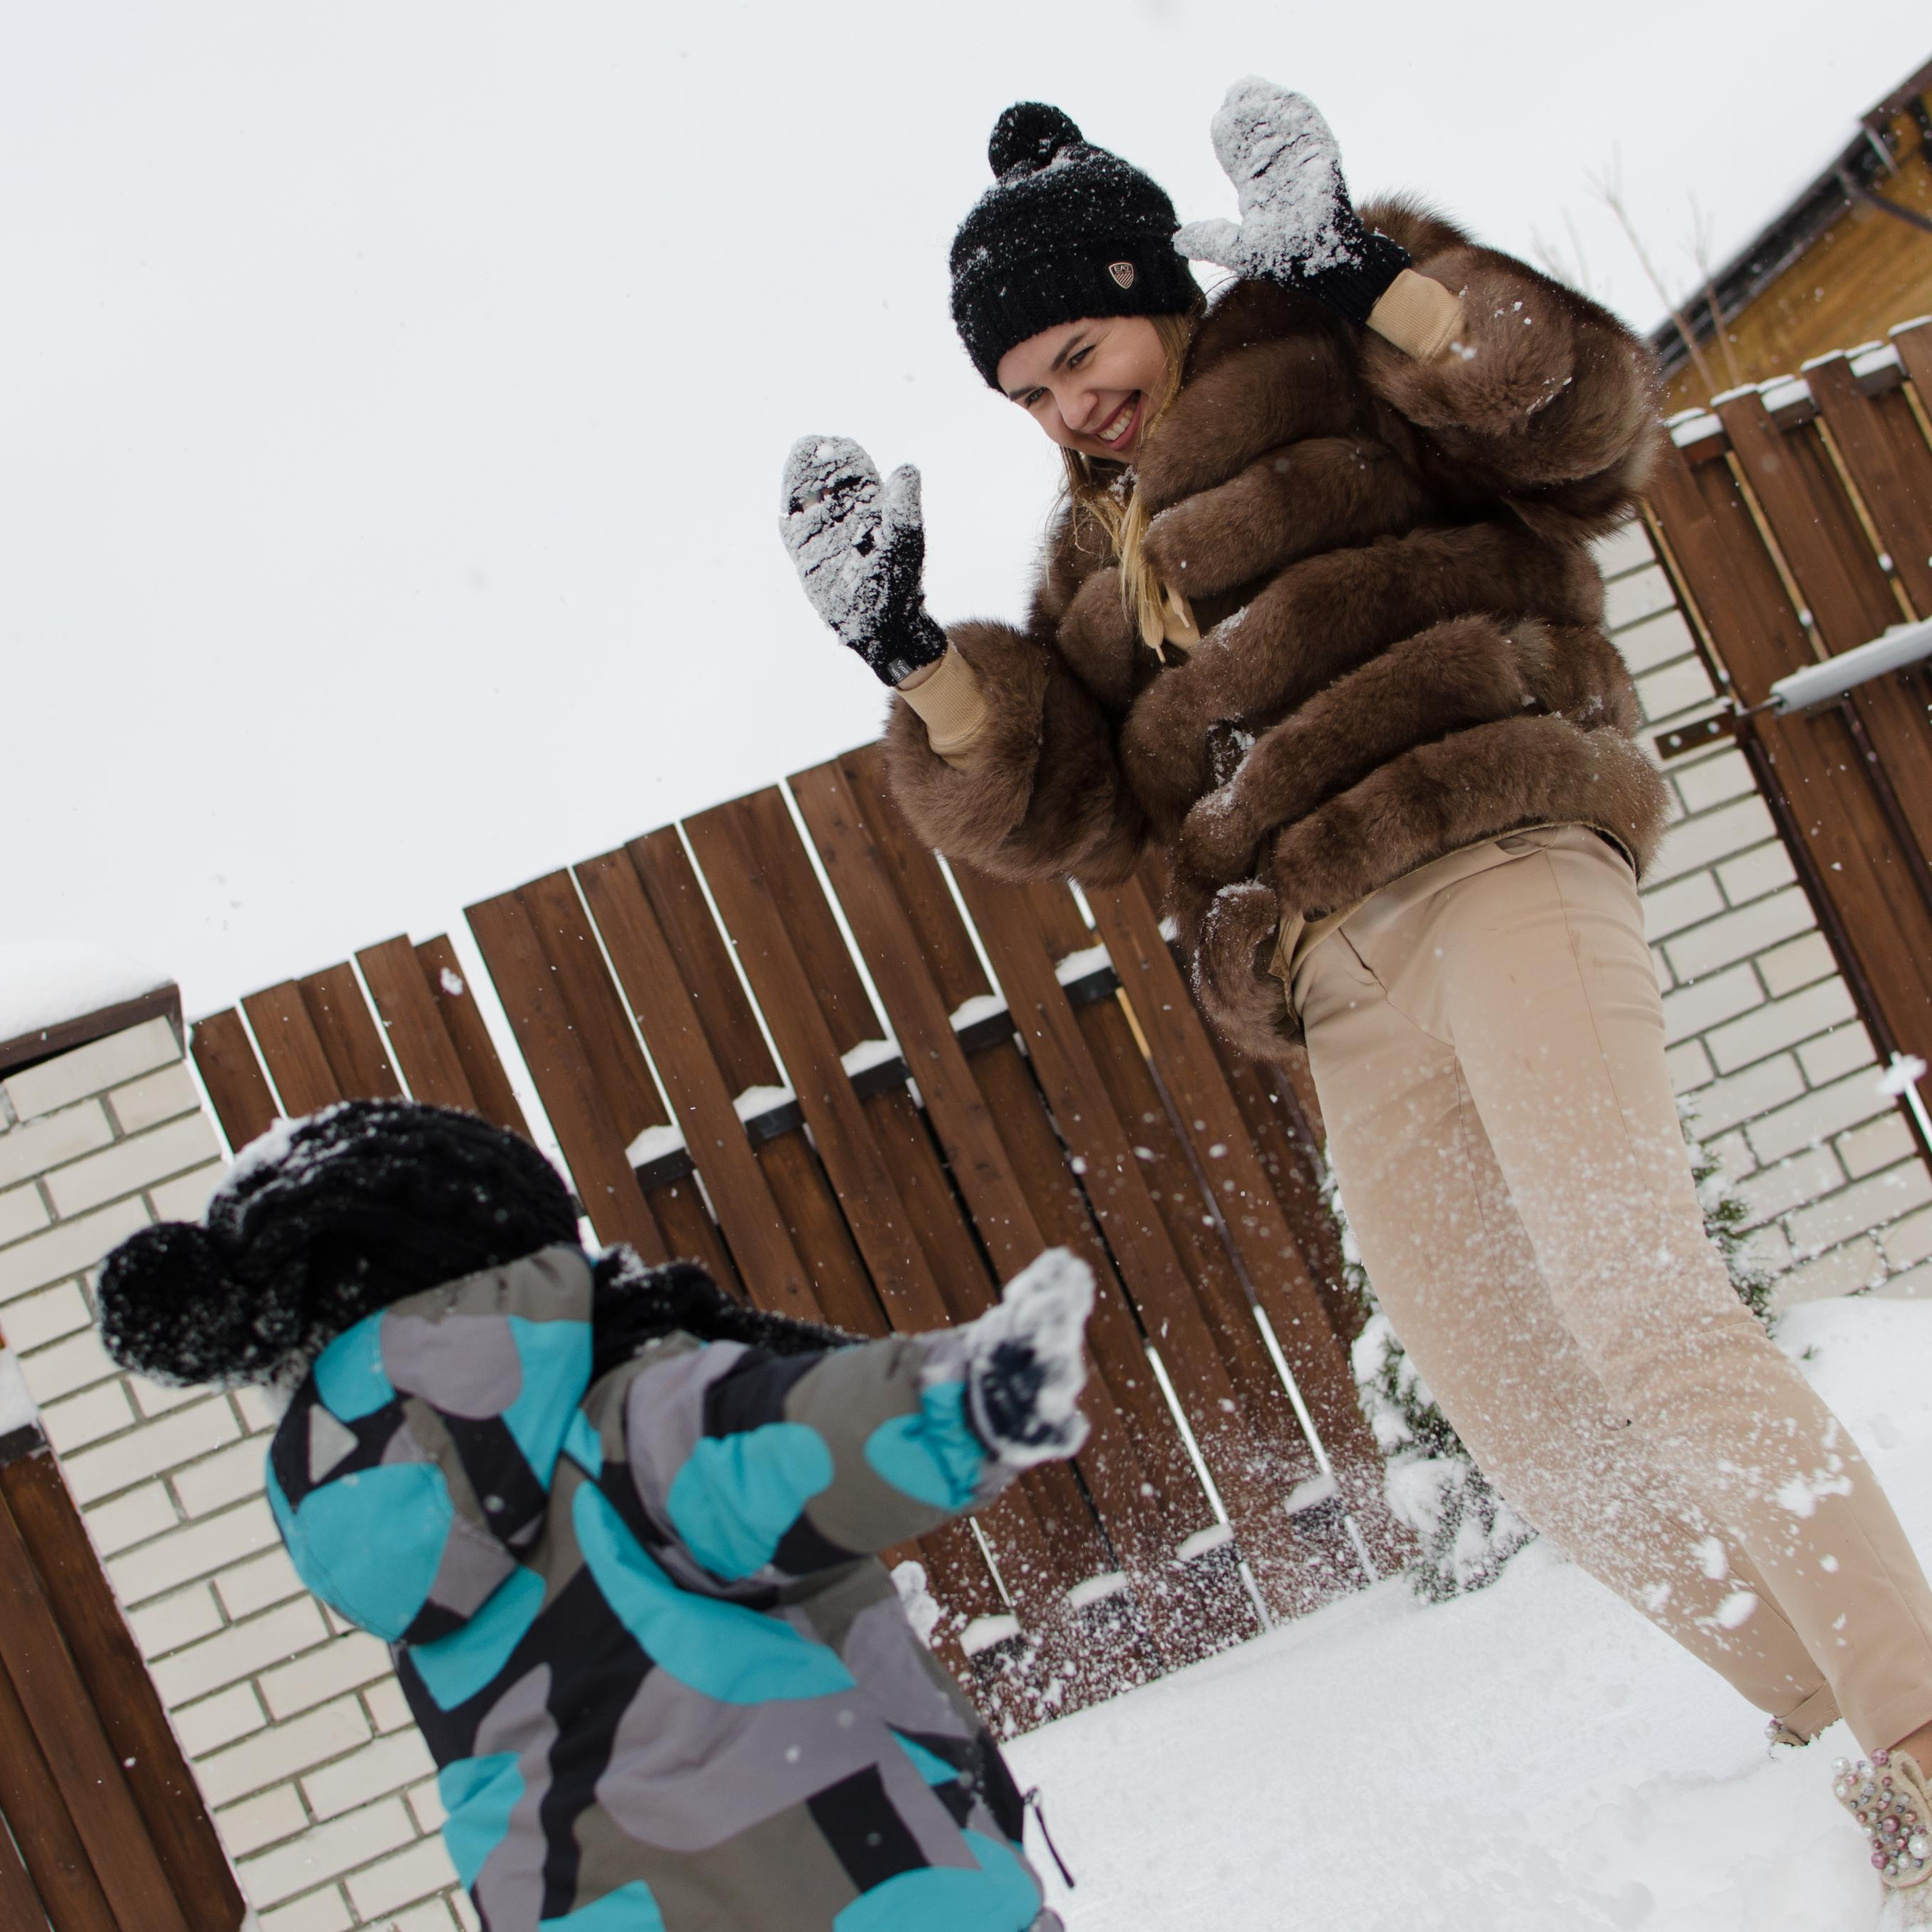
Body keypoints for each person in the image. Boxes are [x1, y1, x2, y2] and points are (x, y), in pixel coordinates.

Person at [778, 77, 1932, 1910]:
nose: (1068, 408)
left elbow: (1584, 426)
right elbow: (1078, 803)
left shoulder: (1330, 351)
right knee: (1518, 1404)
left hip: (1491, 859)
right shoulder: (1092, 561)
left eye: (1077, 354)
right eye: (1026, 394)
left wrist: (1367, 274)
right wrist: (913, 657)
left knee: (1644, 1313)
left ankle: (1918, 1726)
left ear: (1150, 288)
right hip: (1336, 986)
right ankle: (1822, 1732)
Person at [97, 1099, 1089, 1932]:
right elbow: (780, 1442)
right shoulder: (617, 1428)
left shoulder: (404, 1522)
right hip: (866, 1894)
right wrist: (962, 1402)